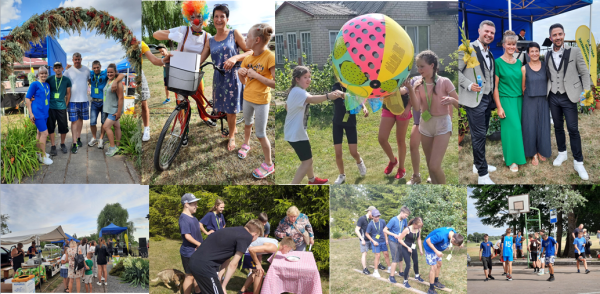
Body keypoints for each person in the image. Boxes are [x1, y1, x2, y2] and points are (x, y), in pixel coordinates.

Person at [153, 0, 215, 146]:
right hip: (179, 73)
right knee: (181, 103)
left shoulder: (208, 36)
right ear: (188, 18)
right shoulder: (182, 30)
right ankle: (183, 132)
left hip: (196, 73)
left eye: (199, 15)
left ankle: (205, 117)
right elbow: (156, 34)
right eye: (192, 16)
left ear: (204, 17)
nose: (196, 19)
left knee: (200, 99)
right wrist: (171, 36)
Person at [283, 66, 343, 184]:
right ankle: (293, 185)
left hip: (296, 131)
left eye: (309, 77)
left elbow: (286, 106)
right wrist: (328, 96)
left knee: (308, 156)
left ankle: (312, 180)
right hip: (296, 133)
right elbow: (312, 99)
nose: (308, 79)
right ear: (297, 79)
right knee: (307, 162)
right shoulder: (298, 92)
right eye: (305, 77)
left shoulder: (295, 91)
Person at [206, 4, 253, 151]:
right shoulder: (210, 40)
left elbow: (250, 51)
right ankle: (232, 129)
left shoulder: (234, 33)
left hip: (233, 76)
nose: (219, 19)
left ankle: (232, 136)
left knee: (231, 109)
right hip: (218, 78)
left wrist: (235, 57)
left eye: (222, 16)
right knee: (224, 108)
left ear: (227, 19)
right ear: (212, 19)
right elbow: (200, 58)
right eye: (216, 16)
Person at [546, 23, 590, 180]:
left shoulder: (575, 51)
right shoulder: (547, 55)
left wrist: (586, 93)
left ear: (563, 35)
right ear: (550, 37)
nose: (557, 37)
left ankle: (578, 162)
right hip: (553, 96)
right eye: (554, 35)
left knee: (573, 129)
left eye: (560, 34)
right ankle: (562, 153)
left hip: (569, 96)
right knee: (558, 127)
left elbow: (584, 73)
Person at [458, 20, 498, 184]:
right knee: (479, 135)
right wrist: (468, 84)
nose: (489, 35)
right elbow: (456, 72)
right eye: (486, 31)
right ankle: (483, 174)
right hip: (474, 100)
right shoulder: (466, 49)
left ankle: (477, 164)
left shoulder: (490, 53)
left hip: (486, 99)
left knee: (482, 134)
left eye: (492, 33)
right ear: (479, 31)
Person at [237, 23, 276, 179]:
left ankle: (268, 164)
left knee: (260, 133)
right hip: (247, 99)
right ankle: (246, 144)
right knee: (247, 124)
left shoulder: (270, 57)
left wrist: (257, 75)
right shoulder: (248, 57)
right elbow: (244, 82)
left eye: (248, 37)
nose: (245, 39)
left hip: (261, 102)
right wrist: (241, 73)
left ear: (257, 40)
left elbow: (275, 83)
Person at [413, 50, 458, 184]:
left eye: (422, 66)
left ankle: (444, 192)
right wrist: (412, 90)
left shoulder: (445, 82)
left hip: (442, 124)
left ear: (432, 65)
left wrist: (453, 101)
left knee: (434, 166)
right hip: (425, 124)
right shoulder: (418, 84)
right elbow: (416, 107)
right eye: (418, 66)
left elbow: (460, 105)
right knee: (430, 166)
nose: (419, 69)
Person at [189, 220, 263, 294]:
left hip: (194, 261)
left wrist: (221, 282)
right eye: (258, 237)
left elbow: (226, 259)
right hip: (205, 266)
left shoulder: (234, 231)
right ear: (254, 234)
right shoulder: (247, 236)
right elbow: (233, 264)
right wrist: (223, 287)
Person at [494, 30, 526, 172]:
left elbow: (523, 84)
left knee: (514, 131)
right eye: (509, 44)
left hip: (520, 100)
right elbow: (495, 88)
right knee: (514, 129)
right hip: (506, 100)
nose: (511, 47)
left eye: (513, 44)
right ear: (503, 45)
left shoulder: (519, 62)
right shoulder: (498, 63)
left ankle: (509, 154)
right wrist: (499, 107)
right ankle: (513, 160)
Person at [379, 79, 418, 181]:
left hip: (403, 109)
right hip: (388, 108)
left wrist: (408, 108)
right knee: (382, 139)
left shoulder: (405, 73)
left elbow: (408, 91)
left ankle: (401, 169)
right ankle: (393, 161)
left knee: (400, 140)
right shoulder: (384, 75)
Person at [521, 42, 551, 165]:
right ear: (528, 54)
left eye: (536, 51)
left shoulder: (545, 66)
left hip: (544, 100)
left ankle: (541, 150)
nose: (534, 53)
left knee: (543, 127)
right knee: (530, 127)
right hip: (529, 100)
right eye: (532, 51)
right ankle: (533, 153)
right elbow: (522, 87)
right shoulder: (524, 68)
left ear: (539, 52)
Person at [331, 82, 368, 184]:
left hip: (350, 122)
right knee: (338, 153)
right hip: (337, 123)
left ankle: (359, 162)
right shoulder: (336, 86)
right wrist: (351, 96)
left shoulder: (354, 87)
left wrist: (364, 107)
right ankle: (342, 175)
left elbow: (358, 99)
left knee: (353, 152)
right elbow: (337, 93)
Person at [87, 60, 125, 149]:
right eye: (94, 68)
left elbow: (122, 75)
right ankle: (94, 138)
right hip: (94, 102)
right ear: (92, 68)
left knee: (104, 123)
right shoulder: (91, 73)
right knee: (92, 122)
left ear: (100, 66)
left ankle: (101, 139)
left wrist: (115, 81)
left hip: (104, 103)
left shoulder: (105, 73)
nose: (96, 69)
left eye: (98, 67)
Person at [423, 227, 464, 294]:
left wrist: (460, 244)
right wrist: (436, 251)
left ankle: (436, 281)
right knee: (434, 267)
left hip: (437, 248)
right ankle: (431, 289)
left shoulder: (454, 233)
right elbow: (428, 241)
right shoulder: (441, 235)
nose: (453, 245)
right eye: (454, 244)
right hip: (430, 248)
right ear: (453, 239)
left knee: (439, 264)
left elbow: (457, 240)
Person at [25, 67, 52, 165]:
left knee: (39, 133)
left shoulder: (47, 85)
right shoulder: (34, 84)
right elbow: (27, 98)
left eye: (45, 73)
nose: (43, 75)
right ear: (38, 74)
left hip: (45, 113)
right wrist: (31, 114)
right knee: (45, 134)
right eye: (41, 73)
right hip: (37, 113)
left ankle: (38, 153)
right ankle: (43, 156)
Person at [63, 53, 90, 154]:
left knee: (80, 120)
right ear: (72, 60)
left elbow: (90, 80)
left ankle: (78, 138)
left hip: (84, 100)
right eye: (75, 60)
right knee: (74, 122)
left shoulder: (87, 70)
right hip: (72, 101)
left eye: (79, 59)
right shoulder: (68, 71)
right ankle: (74, 143)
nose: (77, 61)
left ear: (81, 59)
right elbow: (62, 82)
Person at [179, 193, 203, 294]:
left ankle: (198, 291)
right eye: (194, 204)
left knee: (198, 274)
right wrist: (199, 244)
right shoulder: (184, 218)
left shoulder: (193, 218)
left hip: (197, 251)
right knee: (189, 276)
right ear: (186, 204)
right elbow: (187, 236)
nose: (196, 206)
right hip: (189, 252)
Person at [47, 62, 72, 155]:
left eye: (59, 67)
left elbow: (68, 93)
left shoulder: (66, 80)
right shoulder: (49, 79)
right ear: (53, 70)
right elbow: (42, 87)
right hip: (51, 107)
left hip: (61, 107)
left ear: (62, 69)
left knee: (63, 127)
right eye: (56, 68)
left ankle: (62, 144)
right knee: (51, 127)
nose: (58, 69)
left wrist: (66, 104)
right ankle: (53, 146)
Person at [383, 206, 410, 283]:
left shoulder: (404, 220)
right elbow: (384, 230)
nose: (406, 217)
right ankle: (391, 276)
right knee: (395, 258)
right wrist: (394, 234)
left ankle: (401, 272)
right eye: (405, 215)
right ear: (401, 213)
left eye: (407, 216)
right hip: (393, 241)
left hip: (400, 241)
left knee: (401, 257)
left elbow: (406, 228)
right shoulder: (393, 220)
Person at [102, 64, 124, 157]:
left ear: (115, 72)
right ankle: (118, 146)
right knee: (116, 127)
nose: (109, 74)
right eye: (108, 72)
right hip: (109, 109)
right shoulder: (109, 80)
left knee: (106, 127)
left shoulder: (118, 83)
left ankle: (112, 147)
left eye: (111, 72)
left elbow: (121, 98)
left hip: (114, 110)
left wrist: (119, 112)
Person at [398, 217, 425, 288]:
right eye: (418, 226)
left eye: (420, 226)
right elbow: (400, 239)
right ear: (414, 224)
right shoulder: (407, 229)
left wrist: (421, 249)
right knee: (408, 264)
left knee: (416, 262)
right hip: (405, 247)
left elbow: (418, 239)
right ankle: (405, 281)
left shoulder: (418, 229)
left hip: (413, 246)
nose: (419, 227)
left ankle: (417, 276)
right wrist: (407, 247)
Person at [365, 209, 390, 278]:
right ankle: (375, 271)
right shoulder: (370, 224)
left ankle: (389, 268)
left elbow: (385, 231)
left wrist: (386, 239)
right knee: (378, 256)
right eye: (376, 216)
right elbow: (367, 234)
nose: (377, 218)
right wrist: (373, 241)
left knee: (386, 254)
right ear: (372, 216)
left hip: (383, 241)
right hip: (375, 242)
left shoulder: (382, 221)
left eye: (378, 216)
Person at [356, 206, 375, 275]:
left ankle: (378, 264)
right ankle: (365, 269)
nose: (374, 216)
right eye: (373, 214)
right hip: (364, 240)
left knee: (376, 251)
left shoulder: (372, 219)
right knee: (364, 253)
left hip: (371, 239)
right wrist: (362, 239)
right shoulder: (362, 219)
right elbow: (356, 230)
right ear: (369, 211)